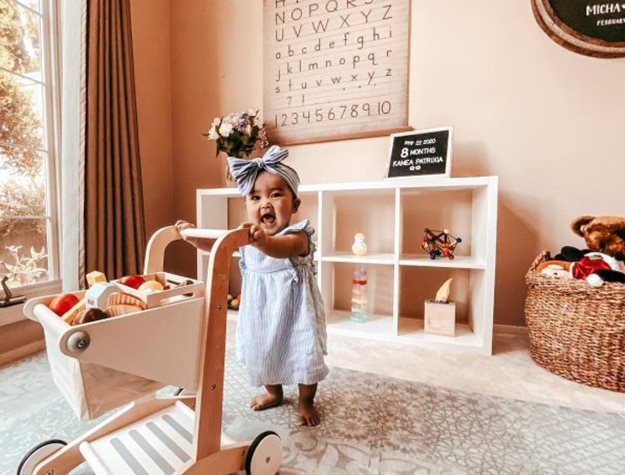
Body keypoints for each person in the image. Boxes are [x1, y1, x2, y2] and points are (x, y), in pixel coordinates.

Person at [176, 145, 329, 426]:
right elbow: (218, 245)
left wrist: (261, 241)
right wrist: (192, 236)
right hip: (260, 315)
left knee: (304, 355)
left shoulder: (298, 236)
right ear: (246, 205)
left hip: (296, 316)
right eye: (255, 197)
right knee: (264, 353)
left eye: (276, 194)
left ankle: (306, 401)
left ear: (294, 204)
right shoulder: (247, 235)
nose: (265, 203)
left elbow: (281, 248)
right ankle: (274, 393)